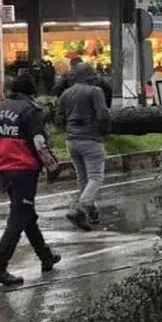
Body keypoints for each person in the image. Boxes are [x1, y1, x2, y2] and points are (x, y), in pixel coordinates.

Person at [0, 74, 61, 285]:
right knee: (18, 217)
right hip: (23, 170)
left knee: (26, 213)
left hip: (4, 169)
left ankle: (45, 256)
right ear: (31, 93)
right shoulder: (30, 111)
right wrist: (53, 166)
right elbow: (39, 143)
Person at [58, 61, 111, 230]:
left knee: (83, 177)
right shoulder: (95, 91)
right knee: (96, 177)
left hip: (72, 140)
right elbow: (103, 114)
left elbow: (59, 118)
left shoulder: (66, 93)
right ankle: (81, 206)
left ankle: (91, 212)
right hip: (91, 138)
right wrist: (103, 131)